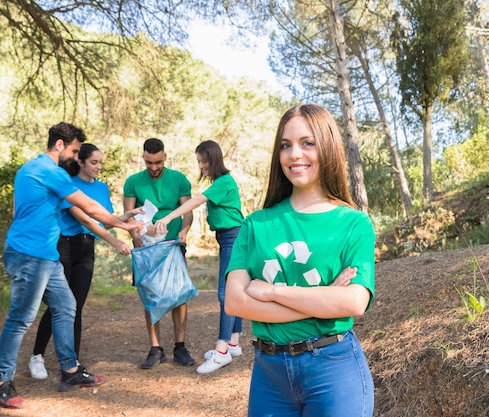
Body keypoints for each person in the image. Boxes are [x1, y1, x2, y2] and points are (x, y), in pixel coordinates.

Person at [224, 104, 376, 417]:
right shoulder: (255, 224)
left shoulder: (354, 224)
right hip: (269, 374)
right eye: (285, 145)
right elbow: (235, 303)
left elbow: (353, 302)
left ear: (328, 147)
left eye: (308, 143)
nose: (295, 154)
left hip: (333, 370)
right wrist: (323, 300)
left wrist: (271, 292)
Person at [0, 123, 142, 409]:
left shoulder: (27, 169)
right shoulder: (52, 172)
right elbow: (91, 210)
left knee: (66, 306)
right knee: (20, 318)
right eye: (74, 150)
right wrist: (125, 225)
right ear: (59, 145)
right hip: (29, 254)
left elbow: (16, 212)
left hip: (45, 255)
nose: (75, 156)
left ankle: (70, 371)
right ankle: (2, 384)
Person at [28, 143, 141, 379]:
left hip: (86, 250)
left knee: (77, 306)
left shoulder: (101, 188)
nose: (98, 167)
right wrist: (117, 241)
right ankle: (37, 355)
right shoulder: (68, 185)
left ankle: (73, 363)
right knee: (59, 304)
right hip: (65, 247)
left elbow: (105, 221)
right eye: (93, 162)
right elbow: (87, 219)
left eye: (100, 162)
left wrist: (126, 217)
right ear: (80, 161)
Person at [154, 140, 244, 374]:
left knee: (225, 295)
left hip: (233, 238)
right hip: (228, 238)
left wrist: (167, 218)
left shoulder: (223, 182)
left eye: (203, 161)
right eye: (199, 162)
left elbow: (195, 201)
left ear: (214, 160)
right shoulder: (221, 182)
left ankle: (222, 351)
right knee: (231, 292)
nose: (201, 166)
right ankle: (233, 343)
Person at [123, 138, 197, 369]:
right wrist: (138, 240)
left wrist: (184, 230)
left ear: (165, 156)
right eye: (148, 163)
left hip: (173, 245)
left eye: (157, 162)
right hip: (145, 248)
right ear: (143, 158)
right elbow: (128, 215)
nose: (153, 168)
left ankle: (180, 346)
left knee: (179, 293)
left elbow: (187, 211)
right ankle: (155, 348)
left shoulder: (179, 179)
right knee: (150, 295)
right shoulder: (133, 182)